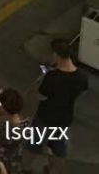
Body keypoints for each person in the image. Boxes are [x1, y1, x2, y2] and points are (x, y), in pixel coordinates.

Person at [29, 38, 89, 172]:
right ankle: (53, 170)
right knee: (58, 149)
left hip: (45, 117)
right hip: (64, 119)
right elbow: (82, 93)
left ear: (56, 55)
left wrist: (37, 85)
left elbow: (40, 95)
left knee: (33, 145)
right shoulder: (82, 77)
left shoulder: (52, 77)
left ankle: (25, 168)